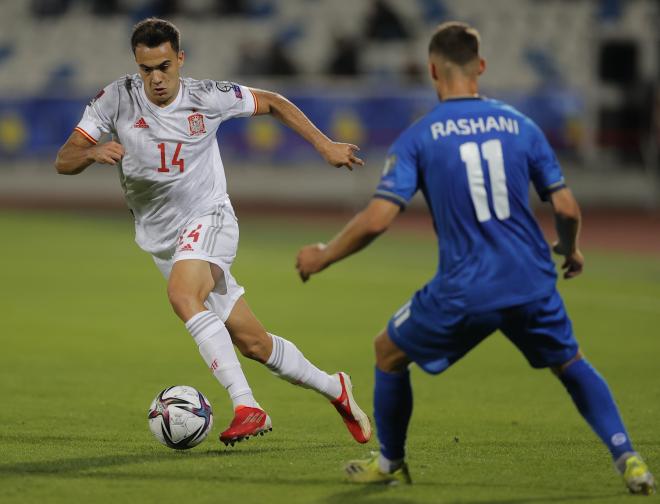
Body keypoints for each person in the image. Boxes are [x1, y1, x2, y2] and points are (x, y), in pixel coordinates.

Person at [296, 21, 655, 494]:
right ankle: (629, 458)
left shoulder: (420, 137)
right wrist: (569, 248)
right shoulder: (521, 125)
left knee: (387, 351)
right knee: (571, 363)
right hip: (531, 278)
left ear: (431, 71)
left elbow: (379, 219)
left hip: (466, 286)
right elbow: (566, 207)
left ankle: (390, 462)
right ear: (480, 67)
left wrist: (324, 254)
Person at [54, 17, 371, 447]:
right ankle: (336, 388)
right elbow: (64, 159)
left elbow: (274, 101)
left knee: (183, 296)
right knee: (253, 343)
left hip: (209, 217)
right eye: (147, 69)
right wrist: (92, 150)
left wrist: (325, 145)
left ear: (180, 59)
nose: (157, 78)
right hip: (162, 240)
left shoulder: (208, 96)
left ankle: (247, 406)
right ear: (135, 64)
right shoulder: (116, 99)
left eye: (164, 66)